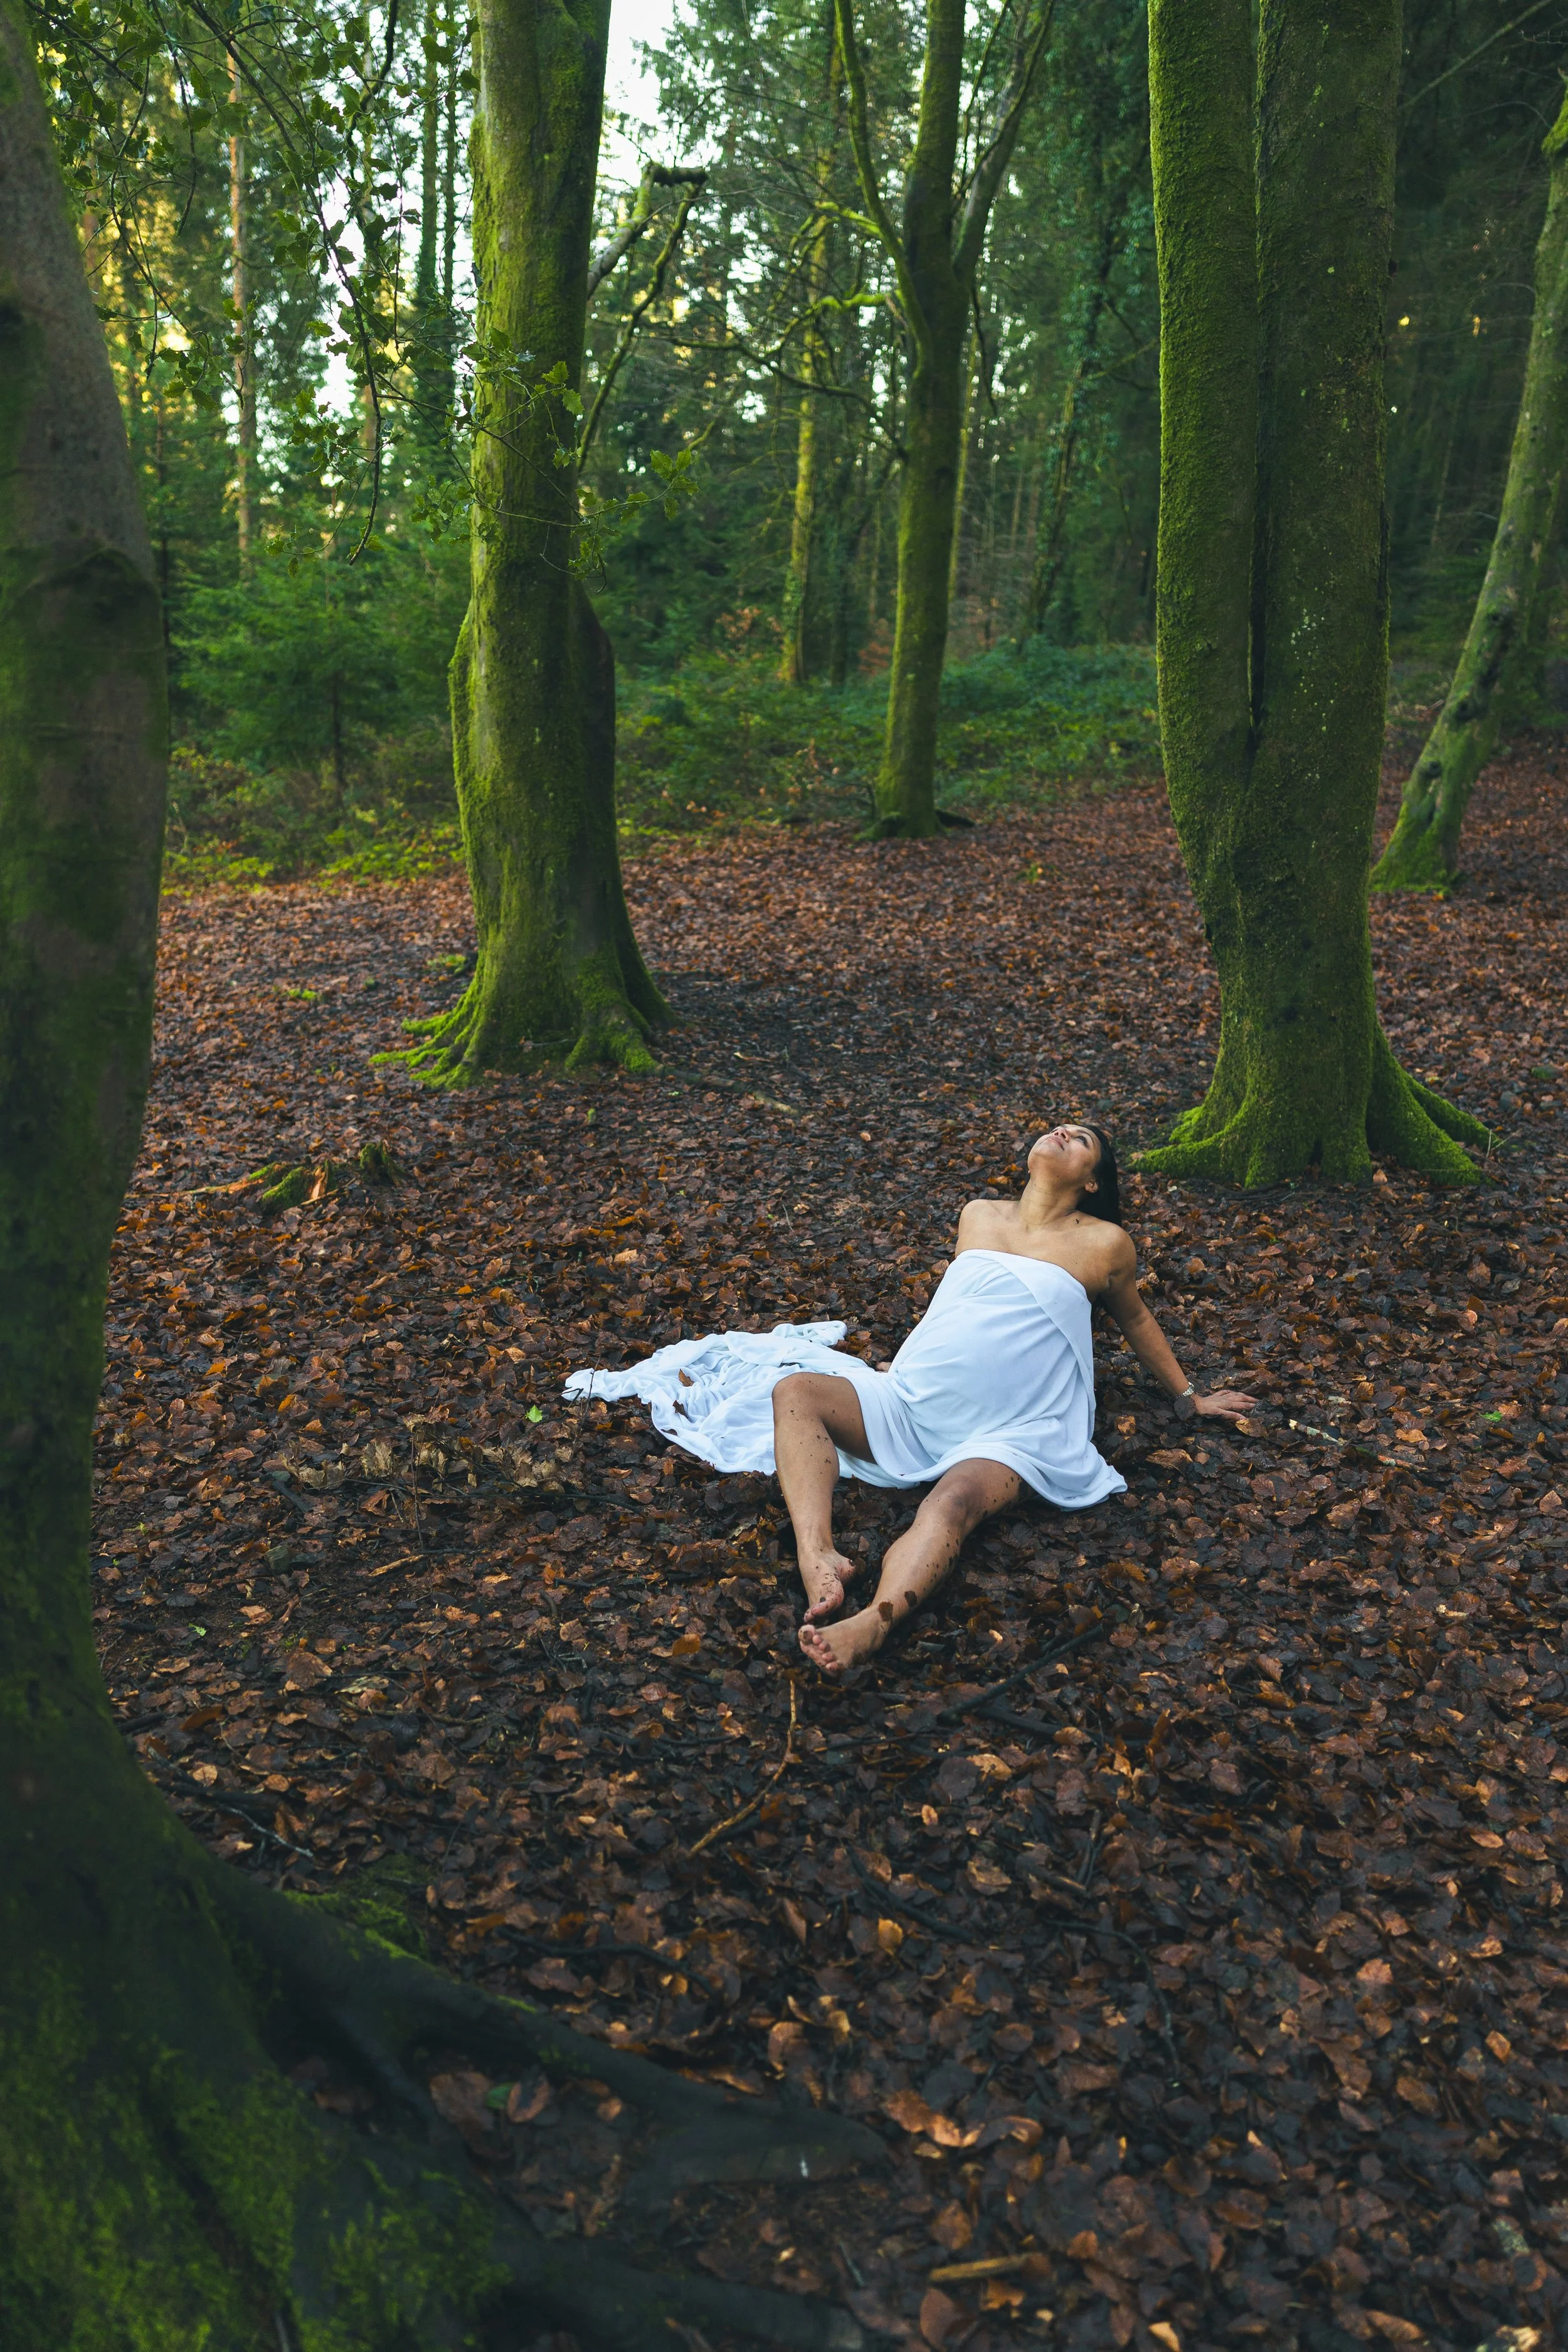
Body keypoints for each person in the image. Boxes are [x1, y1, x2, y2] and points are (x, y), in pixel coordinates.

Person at [564, 1122, 1255, 1679]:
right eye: (1056, 1128)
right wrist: (910, 1358)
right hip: (915, 1398)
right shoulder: (977, 1215)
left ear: (1093, 1180)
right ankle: (818, 1552)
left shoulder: (1105, 1243)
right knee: (794, 1388)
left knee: (952, 1503)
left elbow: (1134, 1321)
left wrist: (1190, 1397)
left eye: (1080, 1140)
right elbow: (961, 1303)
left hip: (1018, 1429)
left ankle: (872, 1625)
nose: (1060, 1134)